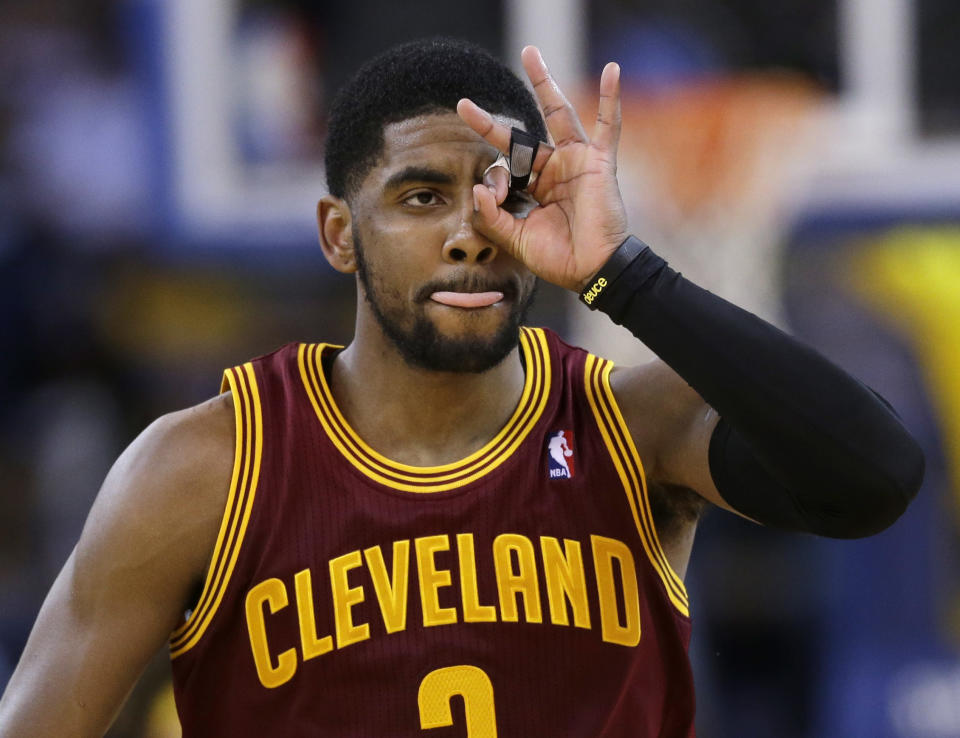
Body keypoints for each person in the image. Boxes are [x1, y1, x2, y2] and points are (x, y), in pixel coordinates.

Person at [0, 38, 923, 737]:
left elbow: (876, 476)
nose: (470, 232)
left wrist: (625, 275)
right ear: (338, 234)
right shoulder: (207, 467)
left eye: (500, 195)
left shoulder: (634, 426)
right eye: (419, 198)